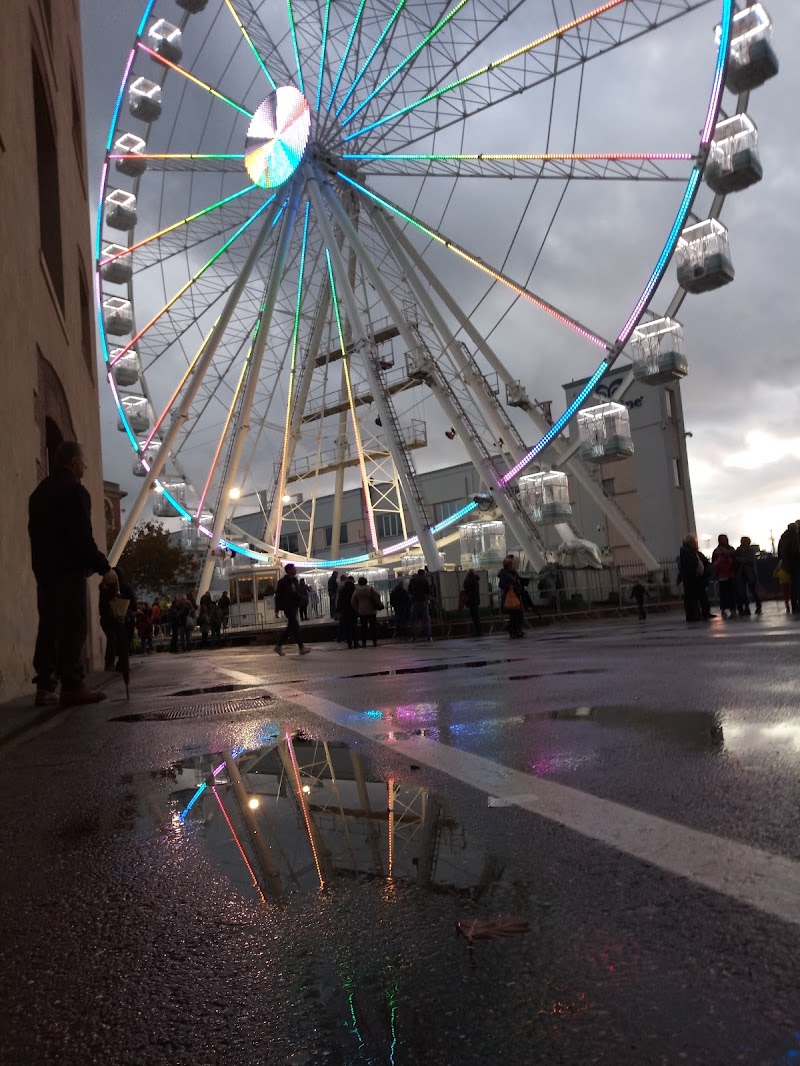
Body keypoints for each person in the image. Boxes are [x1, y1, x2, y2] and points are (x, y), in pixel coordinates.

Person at [28, 441, 118, 707]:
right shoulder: (75, 492)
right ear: (73, 462)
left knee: (48, 626)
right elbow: (82, 538)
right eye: (84, 461)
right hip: (68, 571)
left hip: (45, 571)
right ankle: (72, 685)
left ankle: (44, 686)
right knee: (73, 627)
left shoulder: (38, 494)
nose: (87, 465)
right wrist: (105, 568)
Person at [99, 567, 136, 670]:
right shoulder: (125, 588)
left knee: (113, 639)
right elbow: (133, 603)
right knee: (122, 640)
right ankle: (121, 663)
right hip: (120, 618)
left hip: (110, 617)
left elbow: (103, 605)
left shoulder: (105, 588)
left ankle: (111, 663)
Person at [274, 563, 311, 656]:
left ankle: (279, 646)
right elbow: (278, 596)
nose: (295, 570)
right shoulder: (282, 582)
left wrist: (301, 598)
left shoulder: (295, 580)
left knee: (292, 626)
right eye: (294, 569)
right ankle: (301, 647)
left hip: (294, 605)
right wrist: (277, 609)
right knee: (294, 624)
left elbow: (296, 592)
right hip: (287, 606)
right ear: (289, 570)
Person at [678, 534, 714, 622]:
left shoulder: (691, 551)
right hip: (693, 579)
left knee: (699, 597)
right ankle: (694, 615)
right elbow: (690, 565)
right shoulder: (688, 552)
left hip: (696, 578)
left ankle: (701, 613)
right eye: (694, 542)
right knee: (693, 597)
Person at [351, 576, 383, 647]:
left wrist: (357, 608)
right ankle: (374, 642)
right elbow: (377, 595)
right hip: (371, 610)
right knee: (373, 627)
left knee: (363, 628)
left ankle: (364, 643)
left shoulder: (356, 590)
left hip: (362, 611)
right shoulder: (370, 588)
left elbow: (353, 601)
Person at [711, 534, 738, 620]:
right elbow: (714, 563)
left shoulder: (730, 549)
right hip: (722, 575)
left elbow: (735, 559)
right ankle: (723, 609)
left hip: (730, 573)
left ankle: (732, 608)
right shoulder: (717, 551)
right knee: (723, 593)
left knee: (731, 592)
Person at [498, 557, 525, 638]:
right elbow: (501, 585)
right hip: (509, 597)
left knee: (518, 614)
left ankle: (516, 630)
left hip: (516, 595)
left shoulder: (513, 573)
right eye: (512, 564)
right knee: (515, 614)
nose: (513, 566)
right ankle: (514, 631)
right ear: (508, 566)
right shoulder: (505, 574)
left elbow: (518, 581)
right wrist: (510, 586)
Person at [735, 536, 761, 616]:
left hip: (750, 573)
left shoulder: (750, 550)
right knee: (743, 592)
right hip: (741, 573)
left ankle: (758, 606)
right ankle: (746, 607)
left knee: (752, 591)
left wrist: (741, 559)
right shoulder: (738, 550)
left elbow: (750, 559)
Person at [778, 522, 800, 614]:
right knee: (797, 584)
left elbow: (780, 553)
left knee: (793, 585)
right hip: (796, 563)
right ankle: (796, 605)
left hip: (787, 565)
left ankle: (794, 605)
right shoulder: (794, 537)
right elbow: (796, 550)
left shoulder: (783, 537)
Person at [408, 569, 433, 642]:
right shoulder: (424, 580)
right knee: (426, 619)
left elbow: (409, 590)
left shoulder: (413, 580)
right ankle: (429, 636)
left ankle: (413, 637)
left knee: (413, 620)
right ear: (423, 574)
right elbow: (428, 590)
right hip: (423, 601)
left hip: (414, 601)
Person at [336, 575, 359, 648]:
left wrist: (338, 610)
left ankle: (349, 644)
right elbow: (357, 600)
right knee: (354, 627)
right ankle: (356, 643)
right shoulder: (354, 589)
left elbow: (339, 601)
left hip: (345, 611)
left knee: (347, 628)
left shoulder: (342, 590)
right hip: (353, 610)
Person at [462, 569, 482, 636]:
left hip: (472, 600)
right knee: (476, 616)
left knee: (475, 617)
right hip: (475, 600)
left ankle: (478, 631)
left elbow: (465, 585)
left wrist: (466, 578)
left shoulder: (470, 580)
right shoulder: (475, 580)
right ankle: (478, 631)